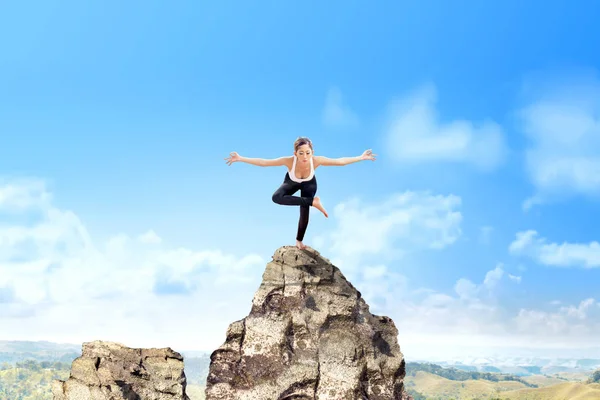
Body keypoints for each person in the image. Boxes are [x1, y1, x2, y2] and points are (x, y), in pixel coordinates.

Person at [225, 137, 376, 249]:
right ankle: (313, 202)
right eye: (301, 153)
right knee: (276, 197)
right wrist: (240, 158)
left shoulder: (316, 161)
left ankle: (299, 241)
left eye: (308, 153)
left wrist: (361, 157)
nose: (305, 157)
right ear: (295, 153)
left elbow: (340, 161)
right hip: (291, 182)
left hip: (309, 184)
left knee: (304, 213)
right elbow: (264, 162)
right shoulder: (289, 161)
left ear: (312, 152)